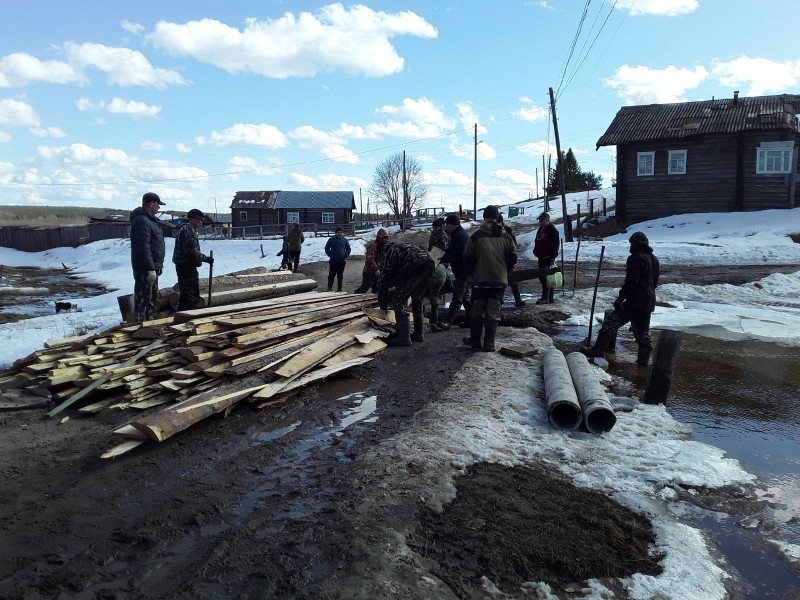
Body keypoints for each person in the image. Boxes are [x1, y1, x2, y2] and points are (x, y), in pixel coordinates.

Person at [580, 231, 660, 365]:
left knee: (611, 321)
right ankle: (643, 362)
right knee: (643, 332)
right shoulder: (654, 259)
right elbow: (655, 282)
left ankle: (598, 350)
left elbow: (631, 281)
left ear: (634, 243)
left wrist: (621, 298)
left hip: (635, 301)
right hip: (649, 300)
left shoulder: (635, 258)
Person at [462, 205, 517, 352]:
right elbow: (513, 257)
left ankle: (475, 341)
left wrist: (472, 273)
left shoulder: (476, 236)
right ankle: (489, 344)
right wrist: (505, 270)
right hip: (499, 280)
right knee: (493, 311)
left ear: (485, 217)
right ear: (497, 217)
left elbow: (467, 257)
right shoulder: (507, 236)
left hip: (479, 280)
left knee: (477, 310)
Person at [376, 241, 436, 346]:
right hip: (430, 265)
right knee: (417, 299)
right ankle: (418, 334)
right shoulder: (402, 247)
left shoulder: (389, 252)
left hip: (415, 269)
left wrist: (383, 304)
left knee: (399, 301)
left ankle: (403, 337)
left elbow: (384, 280)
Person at [130, 192, 166, 322]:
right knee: (143, 299)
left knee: (151, 298)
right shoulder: (141, 221)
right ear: (151, 203)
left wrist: (157, 266)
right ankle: (140, 326)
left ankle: (149, 325)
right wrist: (150, 268)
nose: (159, 208)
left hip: (152, 267)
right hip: (144, 269)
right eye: (158, 204)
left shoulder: (150, 221)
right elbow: (143, 247)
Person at [172, 208, 214, 311]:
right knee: (191, 297)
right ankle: (188, 318)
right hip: (187, 267)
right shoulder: (188, 230)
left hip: (183, 265)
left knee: (185, 295)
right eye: (200, 221)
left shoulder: (184, 228)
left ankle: (181, 317)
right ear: (193, 219)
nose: (200, 224)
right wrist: (205, 258)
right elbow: (191, 252)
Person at [439, 213, 471, 329]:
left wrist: (444, 258)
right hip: (462, 271)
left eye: (447, 225)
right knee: (466, 298)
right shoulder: (457, 235)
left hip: (463, 271)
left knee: (457, 297)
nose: (446, 227)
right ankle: (471, 319)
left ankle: (448, 322)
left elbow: (457, 255)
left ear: (452, 225)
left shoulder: (460, 236)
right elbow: (451, 251)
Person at [497, 213, 526, 307]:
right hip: (498, 260)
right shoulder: (495, 231)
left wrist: (512, 259)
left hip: (507, 259)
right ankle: (499, 300)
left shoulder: (507, 230)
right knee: (500, 281)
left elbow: (513, 245)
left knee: (511, 280)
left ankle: (518, 299)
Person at [533, 212, 560, 305]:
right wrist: (535, 250)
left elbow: (556, 245)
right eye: (540, 220)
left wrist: (553, 257)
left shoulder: (552, 230)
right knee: (543, 277)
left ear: (548, 220)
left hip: (548, 257)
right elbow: (537, 241)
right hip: (541, 256)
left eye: (542, 220)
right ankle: (550, 297)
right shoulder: (540, 229)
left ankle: (545, 298)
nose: (540, 222)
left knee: (546, 278)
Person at [354, 228, 389, 293]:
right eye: (384, 238)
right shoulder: (373, 246)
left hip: (378, 272)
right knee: (364, 288)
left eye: (386, 238)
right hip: (369, 272)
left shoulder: (383, 246)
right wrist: (376, 269)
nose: (385, 240)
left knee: (376, 289)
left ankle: (374, 302)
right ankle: (355, 296)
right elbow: (370, 259)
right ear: (379, 238)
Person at [324, 226, 351, 292]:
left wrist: (345, 255)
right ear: (335, 233)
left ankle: (340, 289)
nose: (339, 234)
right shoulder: (331, 240)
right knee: (331, 275)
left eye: (341, 232)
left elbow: (348, 249)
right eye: (338, 232)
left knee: (340, 275)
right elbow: (327, 248)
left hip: (342, 261)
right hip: (333, 261)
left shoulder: (344, 240)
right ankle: (329, 288)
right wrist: (331, 255)